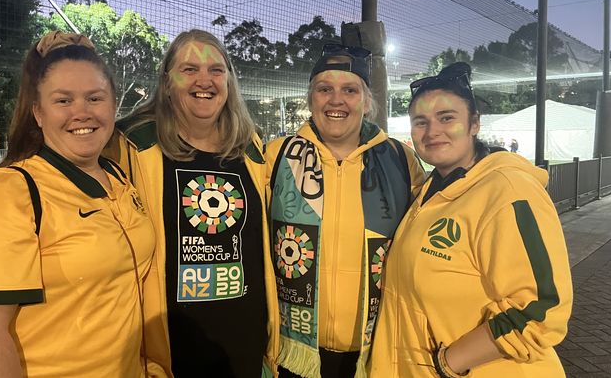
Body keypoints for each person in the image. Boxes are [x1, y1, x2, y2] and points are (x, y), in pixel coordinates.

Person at [0, 31, 156, 377]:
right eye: (63, 101)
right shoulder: (9, 191)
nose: (82, 112)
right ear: (38, 113)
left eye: (95, 98)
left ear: (113, 105)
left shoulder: (119, 177)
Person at [371, 62, 572, 377]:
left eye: (447, 118)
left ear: (475, 123)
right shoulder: (430, 190)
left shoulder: (507, 190)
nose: (432, 131)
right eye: (420, 122)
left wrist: (450, 362)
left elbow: (541, 310)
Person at [105, 29, 279, 377]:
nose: (205, 80)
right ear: (167, 83)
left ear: (229, 82)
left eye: (217, 70)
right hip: (167, 351)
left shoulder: (251, 149)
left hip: (243, 345)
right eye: (189, 69)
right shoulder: (130, 144)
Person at [265, 43, 426, 377]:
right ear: (311, 100)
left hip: (375, 349)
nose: (336, 100)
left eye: (349, 90)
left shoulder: (399, 160)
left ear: (366, 102)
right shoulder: (275, 156)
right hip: (293, 349)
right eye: (325, 89)